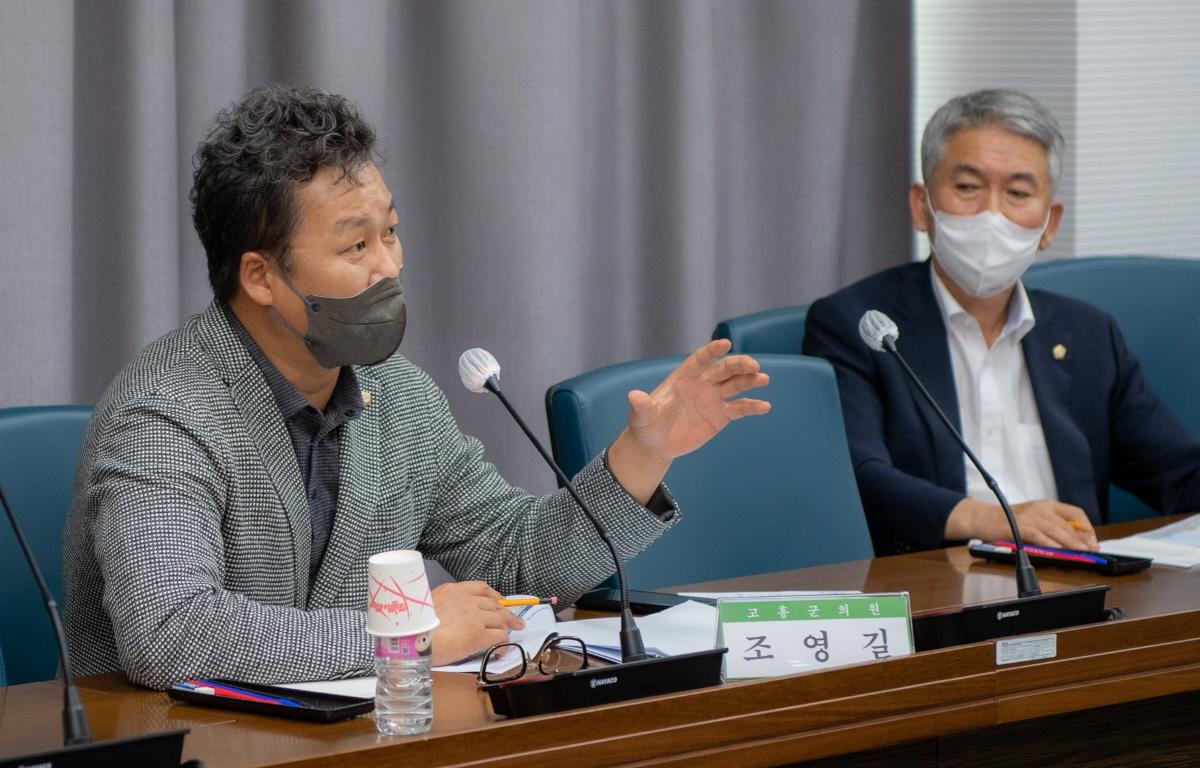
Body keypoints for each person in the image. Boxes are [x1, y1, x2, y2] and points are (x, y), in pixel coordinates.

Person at [61, 84, 770, 689]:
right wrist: (411, 632)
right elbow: (169, 631)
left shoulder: (397, 396)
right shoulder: (165, 410)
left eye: (391, 233)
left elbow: (517, 557)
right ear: (260, 277)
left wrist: (644, 455)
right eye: (355, 246)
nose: (389, 267)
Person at [804, 88, 1200, 556]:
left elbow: (1179, 472)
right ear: (921, 205)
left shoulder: (1089, 334)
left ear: (1049, 224)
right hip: (938, 593)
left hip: (1074, 589)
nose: (993, 214)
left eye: (1017, 193)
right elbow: (858, 477)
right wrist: (998, 519)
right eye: (968, 188)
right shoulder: (862, 326)